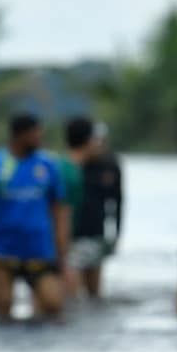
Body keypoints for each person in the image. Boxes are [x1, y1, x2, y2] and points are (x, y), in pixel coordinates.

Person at [0, 112, 72, 320]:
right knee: (3, 312)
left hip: (40, 252)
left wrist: (62, 252)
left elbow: (60, 210)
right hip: (3, 253)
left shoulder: (47, 165)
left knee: (53, 307)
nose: (40, 138)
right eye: (36, 134)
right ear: (21, 135)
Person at [65, 117, 124, 298]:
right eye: (96, 140)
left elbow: (118, 201)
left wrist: (116, 233)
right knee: (72, 295)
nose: (100, 145)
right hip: (71, 238)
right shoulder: (67, 168)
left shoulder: (110, 166)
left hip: (96, 234)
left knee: (94, 295)